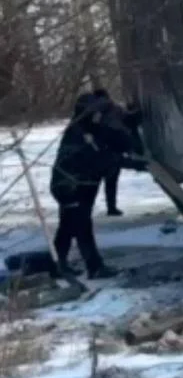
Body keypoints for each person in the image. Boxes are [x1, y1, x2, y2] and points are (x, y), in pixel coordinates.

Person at [49, 91, 146, 279]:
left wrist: (132, 121)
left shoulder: (90, 129)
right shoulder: (80, 135)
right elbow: (100, 158)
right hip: (72, 186)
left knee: (68, 225)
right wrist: (132, 163)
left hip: (79, 183)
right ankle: (94, 267)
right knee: (81, 226)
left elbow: (116, 133)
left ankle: (59, 264)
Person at [91, 88, 144, 217]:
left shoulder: (91, 111)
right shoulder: (114, 108)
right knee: (111, 179)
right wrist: (138, 111)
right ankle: (111, 207)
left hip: (95, 150)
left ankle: (86, 209)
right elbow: (128, 119)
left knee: (94, 181)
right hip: (114, 147)